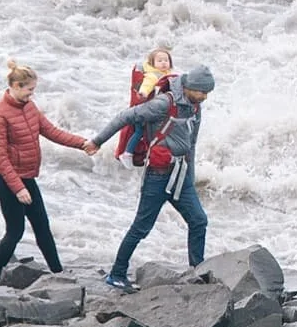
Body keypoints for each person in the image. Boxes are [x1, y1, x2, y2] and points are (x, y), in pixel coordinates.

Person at [89, 64, 216, 291]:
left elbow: (192, 144)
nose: (205, 97)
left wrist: (191, 177)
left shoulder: (195, 107)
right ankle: (117, 274)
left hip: (181, 174)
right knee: (141, 227)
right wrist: (97, 141)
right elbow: (125, 117)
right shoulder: (163, 103)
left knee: (199, 220)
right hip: (157, 176)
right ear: (190, 87)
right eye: (202, 92)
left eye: (207, 93)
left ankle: (197, 271)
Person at [0, 59, 97, 284]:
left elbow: (52, 132)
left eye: (33, 90)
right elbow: (1, 157)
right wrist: (17, 189)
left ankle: (58, 273)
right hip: (6, 180)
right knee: (15, 231)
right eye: (29, 90)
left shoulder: (30, 107)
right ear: (15, 86)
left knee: (42, 226)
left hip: (27, 177)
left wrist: (83, 143)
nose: (31, 95)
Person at [115, 45, 175, 168]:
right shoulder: (153, 75)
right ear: (152, 64)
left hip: (151, 109)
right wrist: (143, 93)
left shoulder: (166, 74)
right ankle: (127, 153)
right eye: (160, 61)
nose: (163, 63)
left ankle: (150, 156)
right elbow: (147, 84)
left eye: (166, 60)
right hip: (143, 109)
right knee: (139, 132)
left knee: (149, 133)